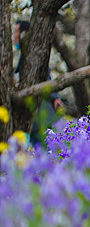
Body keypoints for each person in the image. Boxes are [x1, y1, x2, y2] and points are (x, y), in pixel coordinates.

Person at [14, 19, 63, 147]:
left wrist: (55, 97)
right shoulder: (24, 56)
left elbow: (46, 76)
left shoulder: (32, 56)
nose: (14, 37)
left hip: (40, 115)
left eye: (16, 32)